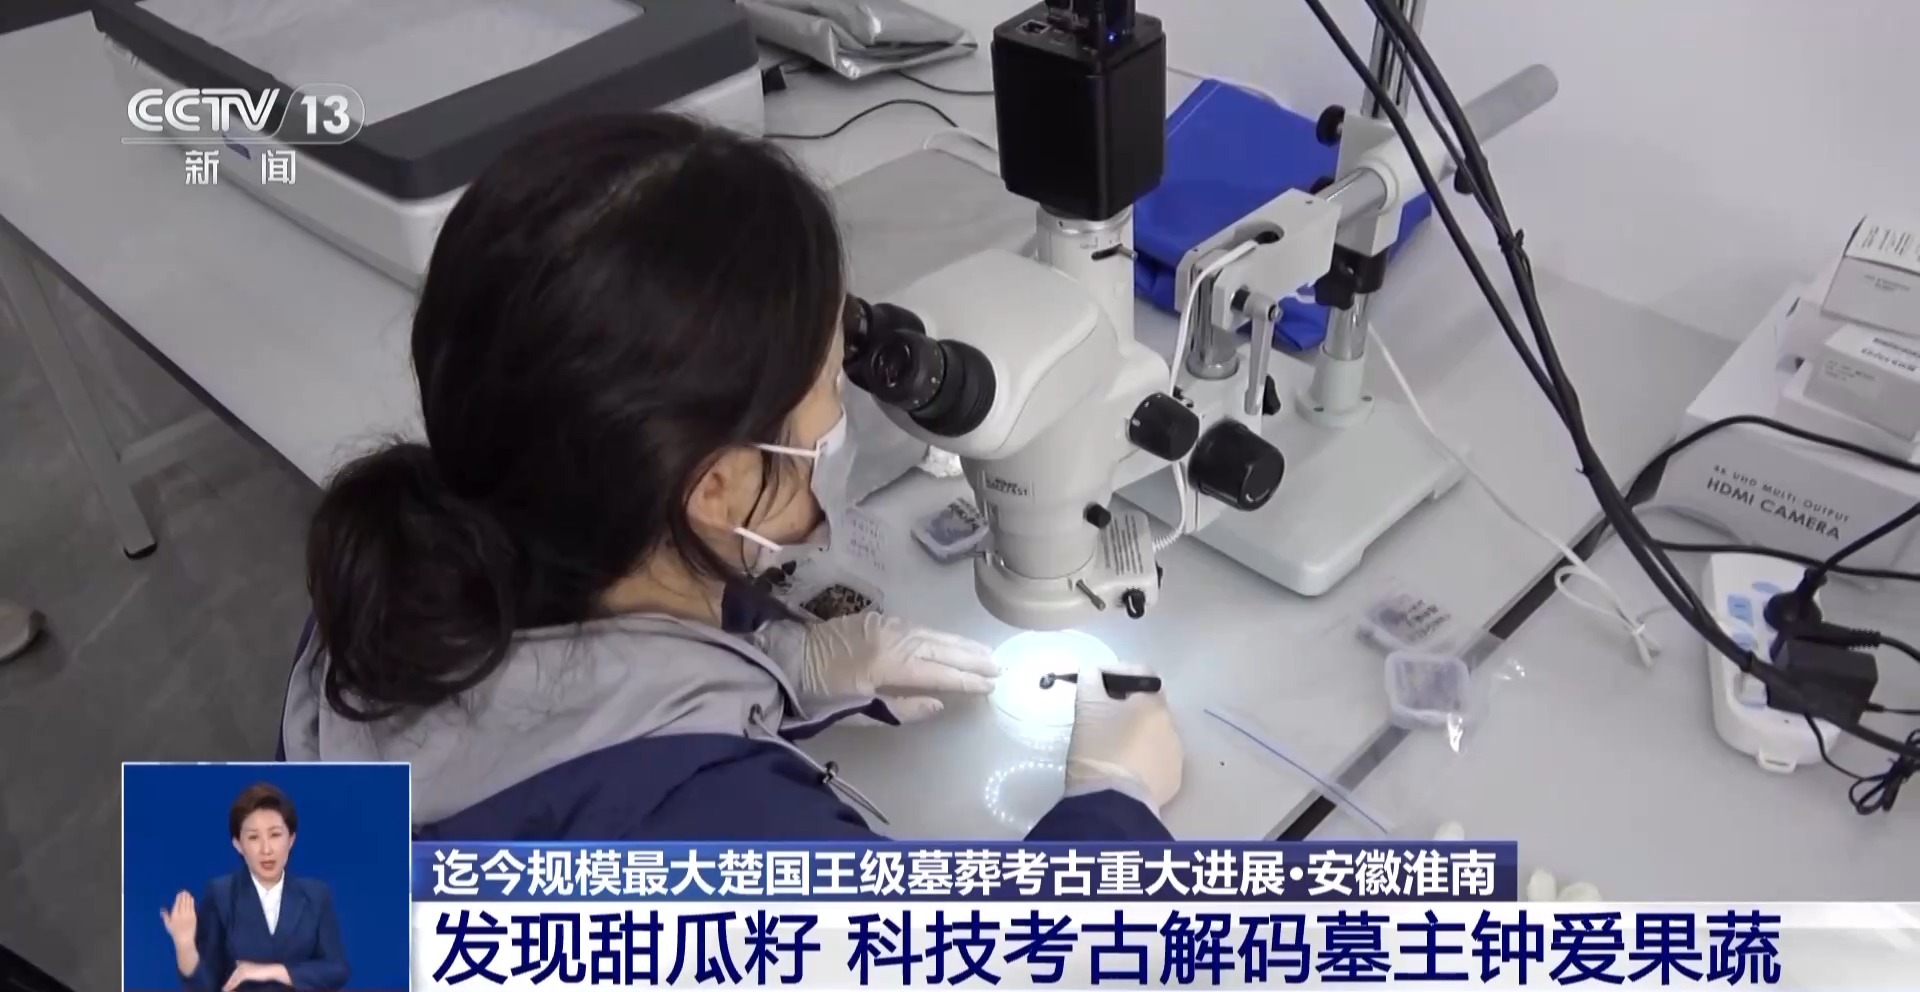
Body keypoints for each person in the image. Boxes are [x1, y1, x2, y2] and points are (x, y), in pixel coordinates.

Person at [278, 112, 1183, 840]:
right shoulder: (729, 832)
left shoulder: (397, 583)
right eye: (830, 383)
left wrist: (779, 662)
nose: (843, 409)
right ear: (712, 488)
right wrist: (1117, 804)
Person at [161, 783, 349, 991]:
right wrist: (185, 945)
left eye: (275, 835)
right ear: (238, 844)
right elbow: (205, 986)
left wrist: (272, 971)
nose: (266, 849)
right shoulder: (221, 894)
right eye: (253, 837)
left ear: (291, 839)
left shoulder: (316, 895)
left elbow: (336, 970)